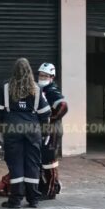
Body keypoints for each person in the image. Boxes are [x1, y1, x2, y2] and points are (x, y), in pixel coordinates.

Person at [0, 58, 51, 208]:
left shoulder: (5, 87)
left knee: (15, 163)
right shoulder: (36, 88)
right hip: (32, 129)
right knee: (32, 164)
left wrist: (1, 125)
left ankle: (16, 199)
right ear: (29, 71)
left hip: (12, 128)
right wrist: (45, 132)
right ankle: (33, 199)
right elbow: (45, 113)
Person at [37, 62, 68, 200]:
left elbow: (63, 106)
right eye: (40, 75)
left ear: (52, 77)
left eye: (45, 75)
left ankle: (50, 191)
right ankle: (51, 186)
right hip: (46, 130)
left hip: (53, 131)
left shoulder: (52, 90)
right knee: (43, 160)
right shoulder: (41, 89)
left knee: (49, 162)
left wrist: (52, 118)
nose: (42, 77)